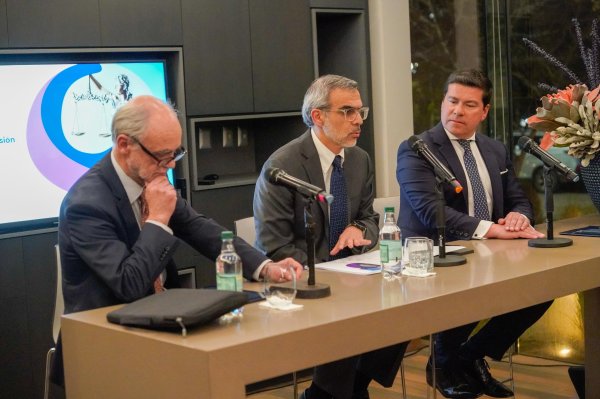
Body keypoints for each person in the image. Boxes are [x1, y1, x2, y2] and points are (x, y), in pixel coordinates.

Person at [51, 95, 303, 391]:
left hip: (159, 322)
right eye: (161, 156)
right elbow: (128, 284)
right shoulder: (86, 203)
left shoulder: (151, 177)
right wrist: (157, 219)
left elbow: (201, 229)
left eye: (175, 154)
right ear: (123, 145)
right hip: (104, 343)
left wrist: (265, 266)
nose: (169, 166)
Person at [396, 69, 553, 399]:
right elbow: (430, 210)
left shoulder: (494, 149)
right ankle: (445, 363)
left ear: (484, 111)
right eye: (452, 101)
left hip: (487, 251)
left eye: (468, 104)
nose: (457, 110)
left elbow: (520, 199)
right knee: (471, 286)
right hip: (433, 254)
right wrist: (492, 229)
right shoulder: (417, 149)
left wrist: (517, 217)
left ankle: (465, 357)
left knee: (543, 287)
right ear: (443, 102)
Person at [254, 74, 407, 399]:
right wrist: (328, 273)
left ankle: (350, 387)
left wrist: (358, 230)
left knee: (404, 309)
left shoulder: (359, 160)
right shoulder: (282, 165)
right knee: (348, 315)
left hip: (352, 274)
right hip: (300, 279)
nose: (357, 121)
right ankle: (331, 393)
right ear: (318, 116)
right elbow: (274, 245)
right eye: (347, 112)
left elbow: (369, 217)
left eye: (360, 112)